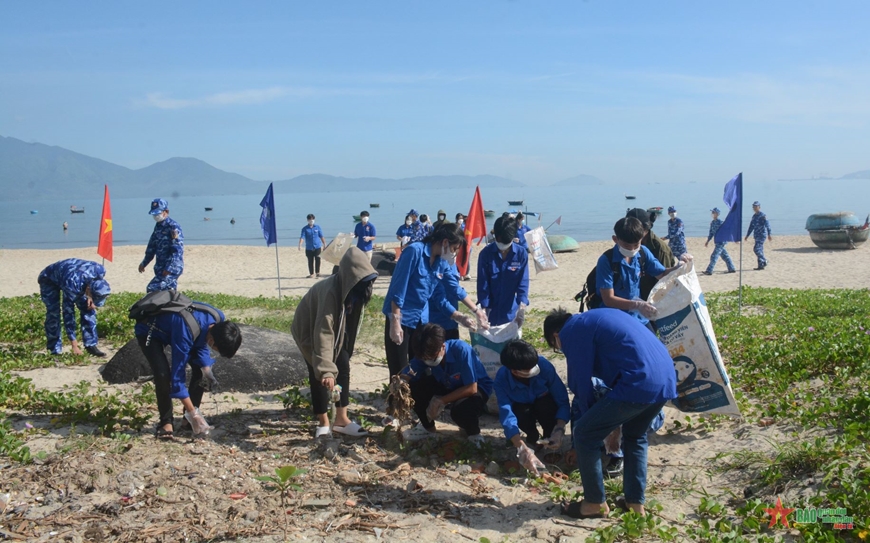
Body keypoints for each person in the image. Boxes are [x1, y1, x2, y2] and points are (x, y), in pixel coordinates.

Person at [543, 308, 677, 518]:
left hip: (638, 382)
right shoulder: (595, 318)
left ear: (556, 336)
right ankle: (635, 504)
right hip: (666, 379)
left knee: (584, 434)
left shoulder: (571, 330)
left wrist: (596, 424)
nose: (562, 349)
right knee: (635, 436)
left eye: (557, 347)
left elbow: (580, 385)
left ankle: (594, 503)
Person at [291, 247, 378, 438]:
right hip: (308, 328)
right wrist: (326, 370)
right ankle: (323, 422)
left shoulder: (357, 291)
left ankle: (341, 419)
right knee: (318, 372)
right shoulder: (330, 292)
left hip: (335, 330)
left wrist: (345, 351)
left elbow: (350, 325)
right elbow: (323, 332)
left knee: (343, 365)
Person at [383, 223, 488, 377]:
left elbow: (454, 288)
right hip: (401, 316)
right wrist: (395, 321)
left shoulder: (441, 262)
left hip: (421, 320)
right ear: (445, 242)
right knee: (399, 369)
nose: (454, 254)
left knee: (421, 367)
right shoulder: (414, 251)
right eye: (454, 249)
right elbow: (398, 288)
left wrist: (475, 311)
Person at [135, 299, 242, 438]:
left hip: (180, 330)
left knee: (201, 372)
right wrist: (194, 413)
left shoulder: (217, 318)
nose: (214, 350)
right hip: (150, 331)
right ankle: (166, 422)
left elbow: (201, 342)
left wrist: (206, 370)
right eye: (216, 349)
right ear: (212, 341)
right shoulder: (185, 332)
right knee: (162, 374)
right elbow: (178, 376)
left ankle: (188, 422)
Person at [400, 323, 493, 446]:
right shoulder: (425, 353)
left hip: (475, 387)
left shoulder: (461, 350)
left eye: (432, 357)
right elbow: (409, 372)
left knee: (461, 410)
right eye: (425, 359)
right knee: (413, 388)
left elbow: (472, 388)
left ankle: (474, 434)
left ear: (442, 347)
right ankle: (427, 428)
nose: (428, 360)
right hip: (447, 383)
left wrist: (441, 400)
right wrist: (400, 383)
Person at [597, 217, 689, 332]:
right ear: (615, 239)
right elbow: (608, 299)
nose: (632, 250)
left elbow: (662, 274)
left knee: (652, 341)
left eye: (636, 245)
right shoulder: (606, 261)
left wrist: (679, 267)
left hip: (639, 316)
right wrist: (637, 305)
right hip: (615, 317)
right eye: (627, 246)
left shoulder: (643, 252)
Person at [495, 340, 570, 476]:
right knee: (519, 412)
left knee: (546, 405)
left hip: (544, 405)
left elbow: (562, 400)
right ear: (515, 371)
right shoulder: (501, 379)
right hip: (523, 409)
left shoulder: (544, 367)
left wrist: (559, 428)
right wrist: (520, 447)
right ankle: (532, 437)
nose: (535, 368)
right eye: (529, 368)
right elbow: (507, 414)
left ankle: (550, 437)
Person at [38, 258, 112, 357]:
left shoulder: (100, 270)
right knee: (53, 313)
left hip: (71, 275)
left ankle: (91, 345)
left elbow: (92, 289)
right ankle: (54, 350)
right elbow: (68, 314)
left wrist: (90, 298)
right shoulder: (72, 285)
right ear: (88, 289)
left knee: (88, 308)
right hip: (49, 279)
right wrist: (74, 344)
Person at [477, 216, 530, 327]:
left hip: (511, 312)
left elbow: (523, 283)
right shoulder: (485, 254)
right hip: (490, 312)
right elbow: (483, 284)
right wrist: (483, 309)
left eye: (505, 242)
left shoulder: (521, 254)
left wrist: (522, 308)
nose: (502, 245)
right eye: (499, 241)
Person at [625, 208, 676, 301]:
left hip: (652, 299)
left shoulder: (660, 248)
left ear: (645, 229)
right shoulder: (629, 244)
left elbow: (665, 280)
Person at [139, 198, 184, 292]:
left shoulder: (173, 227)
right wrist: (144, 263)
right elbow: (151, 247)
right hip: (160, 267)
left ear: (166, 212)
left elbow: (177, 250)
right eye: (154, 214)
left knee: (153, 288)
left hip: (172, 268)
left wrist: (170, 267)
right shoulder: (158, 227)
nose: (156, 216)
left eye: (158, 213)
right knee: (167, 292)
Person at [704, 207, 736, 275]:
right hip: (717, 241)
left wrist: (733, 238)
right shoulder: (713, 223)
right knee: (725, 256)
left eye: (714, 212)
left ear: (717, 214)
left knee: (714, 256)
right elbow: (711, 233)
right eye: (712, 212)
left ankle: (709, 270)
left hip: (721, 241)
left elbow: (727, 230)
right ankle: (731, 268)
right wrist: (708, 241)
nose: (712, 214)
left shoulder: (720, 222)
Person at [745, 201, 772, 270]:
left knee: (756, 249)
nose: (754, 208)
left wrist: (769, 234)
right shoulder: (754, 216)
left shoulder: (762, 215)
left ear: (759, 207)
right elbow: (751, 226)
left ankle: (764, 260)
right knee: (760, 249)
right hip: (756, 235)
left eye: (756, 206)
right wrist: (747, 235)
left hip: (761, 235)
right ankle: (761, 265)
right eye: (753, 206)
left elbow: (767, 225)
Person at [299, 213, 327, 278]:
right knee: (310, 261)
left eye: (312, 219)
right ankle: (311, 273)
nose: (311, 221)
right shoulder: (305, 229)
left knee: (318, 259)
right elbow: (302, 237)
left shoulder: (317, 227)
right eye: (310, 219)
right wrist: (300, 244)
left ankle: (318, 272)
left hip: (317, 246)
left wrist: (324, 244)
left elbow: (321, 236)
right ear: (307, 220)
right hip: (309, 247)